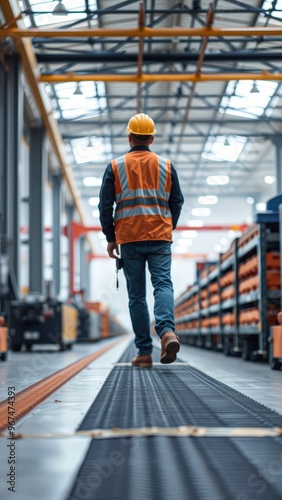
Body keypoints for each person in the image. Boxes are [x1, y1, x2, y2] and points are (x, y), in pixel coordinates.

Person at [99, 113, 184, 367]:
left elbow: (105, 206)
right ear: (152, 138)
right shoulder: (166, 166)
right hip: (160, 237)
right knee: (163, 285)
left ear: (129, 136)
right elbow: (177, 202)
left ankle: (145, 352)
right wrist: (168, 227)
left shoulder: (116, 166)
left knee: (136, 296)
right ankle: (167, 332)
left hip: (129, 239)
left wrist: (110, 237)